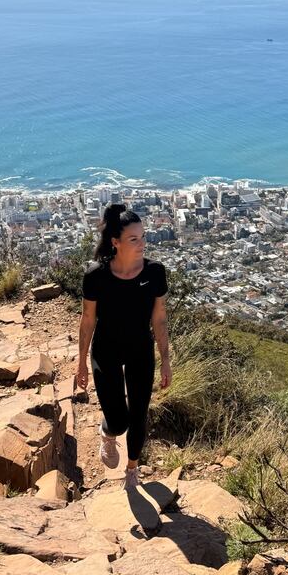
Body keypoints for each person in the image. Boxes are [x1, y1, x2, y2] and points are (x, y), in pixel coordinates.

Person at [76, 203, 171, 490]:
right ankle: (108, 432)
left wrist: (165, 359)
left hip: (140, 349)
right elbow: (88, 319)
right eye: (134, 239)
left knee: (139, 413)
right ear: (115, 243)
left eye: (143, 237)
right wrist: (81, 362)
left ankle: (132, 469)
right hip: (106, 350)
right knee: (118, 419)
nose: (142, 243)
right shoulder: (96, 275)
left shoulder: (154, 272)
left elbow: (160, 318)